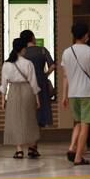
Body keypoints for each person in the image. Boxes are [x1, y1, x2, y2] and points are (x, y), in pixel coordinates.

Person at [60, 24, 90, 166]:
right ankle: (78, 157)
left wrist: (64, 95)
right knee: (85, 125)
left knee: (77, 122)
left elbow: (65, 76)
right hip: (86, 93)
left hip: (72, 94)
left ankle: (72, 147)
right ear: (85, 35)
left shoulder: (66, 52)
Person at [0, 38, 40, 159]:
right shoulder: (28, 63)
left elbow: (4, 83)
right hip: (27, 90)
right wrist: (37, 99)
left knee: (15, 120)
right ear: (23, 49)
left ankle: (19, 150)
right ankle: (32, 146)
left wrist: (3, 100)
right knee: (29, 119)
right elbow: (33, 83)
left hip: (13, 91)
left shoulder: (7, 64)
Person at [18, 29, 55, 157]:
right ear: (32, 37)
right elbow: (53, 65)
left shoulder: (22, 52)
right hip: (41, 85)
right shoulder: (42, 50)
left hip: (26, 84)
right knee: (39, 116)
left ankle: (27, 145)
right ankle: (33, 146)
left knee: (28, 115)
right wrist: (44, 75)